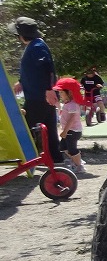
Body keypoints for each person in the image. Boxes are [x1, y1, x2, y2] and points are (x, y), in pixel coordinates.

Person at [11, 17, 64, 164]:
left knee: (26, 128)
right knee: (49, 128)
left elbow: (47, 68)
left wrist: (49, 89)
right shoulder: (35, 45)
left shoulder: (37, 46)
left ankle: (29, 158)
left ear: (21, 35)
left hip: (39, 96)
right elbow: (33, 70)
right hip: (39, 95)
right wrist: (21, 81)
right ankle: (55, 158)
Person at [52, 77, 91, 176]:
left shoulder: (73, 105)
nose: (60, 94)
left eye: (61, 92)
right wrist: (56, 103)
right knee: (63, 147)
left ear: (69, 92)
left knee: (72, 149)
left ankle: (79, 166)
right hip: (69, 131)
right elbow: (62, 111)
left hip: (72, 131)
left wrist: (65, 131)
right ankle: (77, 160)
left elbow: (72, 118)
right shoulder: (68, 104)